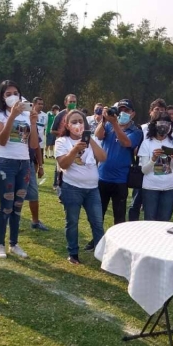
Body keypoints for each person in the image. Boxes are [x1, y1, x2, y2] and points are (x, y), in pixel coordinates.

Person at [0, 80, 39, 259]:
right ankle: (0, 244)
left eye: (15, 92)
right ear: (2, 97)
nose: (13, 96)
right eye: (8, 93)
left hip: (24, 164)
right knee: (6, 206)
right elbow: (1, 141)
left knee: (18, 206)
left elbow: (33, 144)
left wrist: (33, 123)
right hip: (5, 164)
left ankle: (14, 243)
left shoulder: (26, 115)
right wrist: (11, 116)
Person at [55, 110, 106, 264]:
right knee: (72, 221)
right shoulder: (62, 141)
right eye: (74, 122)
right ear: (67, 125)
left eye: (80, 121)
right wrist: (75, 149)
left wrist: (90, 140)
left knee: (97, 222)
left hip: (92, 189)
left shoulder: (91, 140)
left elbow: (103, 157)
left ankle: (102, 254)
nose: (78, 124)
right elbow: (63, 164)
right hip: (72, 188)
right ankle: (73, 253)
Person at [95, 99, 143, 226]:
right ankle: (96, 240)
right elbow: (98, 135)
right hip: (102, 176)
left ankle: (117, 242)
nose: (123, 112)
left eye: (126, 110)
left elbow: (126, 142)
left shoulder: (136, 131)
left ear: (133, 113)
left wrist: (115, 123)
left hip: (120, 179)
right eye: (120, 109)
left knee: (119, 216)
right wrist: (104, 120)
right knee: (98, 213)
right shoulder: (109, 124)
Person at [138, 111, 173, 221]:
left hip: (169, 187)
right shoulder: (147, 143)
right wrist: (153, 159)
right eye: (161, 124)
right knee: (150, 220)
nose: (164, 127)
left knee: (164, 221)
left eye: (167, 124)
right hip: (150, 187)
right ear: (155, 125)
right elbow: (144, 170)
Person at [128, 98, 164, 222]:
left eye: (162, 110)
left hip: (160, 170)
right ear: (150, 111)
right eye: (156, 109)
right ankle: (132, 228)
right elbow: (134, 149)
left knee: (152, 206)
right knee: (136, 202)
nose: (159, 112)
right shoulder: (141, 128)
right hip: (142, 169)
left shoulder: (167, 130)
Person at [26, 97, 49, 231]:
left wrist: (40, 166)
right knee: (12, 195)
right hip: (14, 163)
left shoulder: (33, 125)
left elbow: (37, 147)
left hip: (29, 162)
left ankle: (35, 221)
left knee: (33, 193)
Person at [51, 94, 79, 191]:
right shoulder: (60, 115)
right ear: (65, 103)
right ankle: (58, 185)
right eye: (70, 102)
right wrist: (63, 132)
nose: (72, 104)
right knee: (60, 166)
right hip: (62, 143)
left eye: (74, 102)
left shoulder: (78, 115)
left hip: (74, 143)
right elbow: (52, 130)